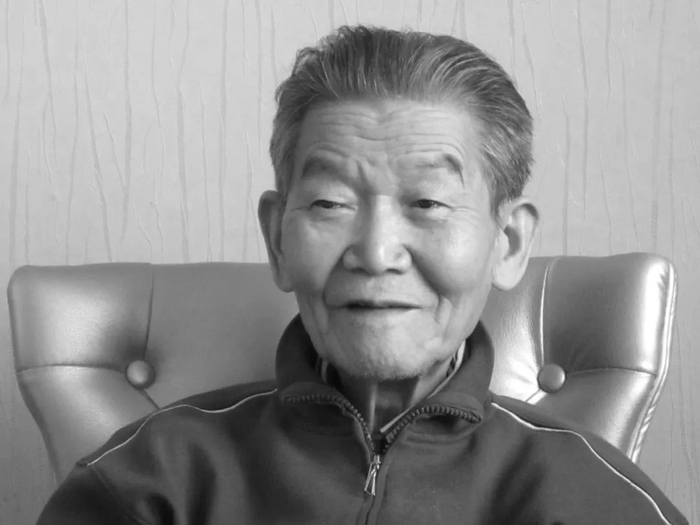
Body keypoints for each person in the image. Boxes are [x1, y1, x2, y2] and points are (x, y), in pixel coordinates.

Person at [37, 25, 687, 524]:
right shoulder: (148, 479)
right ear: (277, 238)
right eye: (330, 203)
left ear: (508, 242)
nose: (375, 252)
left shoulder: (590, 493)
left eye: (427, 203)